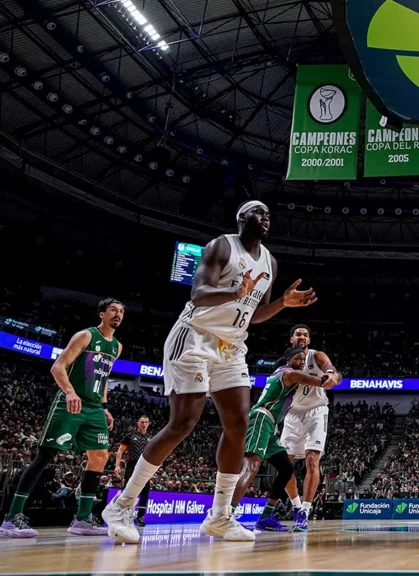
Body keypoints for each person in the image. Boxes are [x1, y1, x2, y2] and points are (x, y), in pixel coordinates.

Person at [102, 200, 317, 544]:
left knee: (238, 424)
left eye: (268, 215)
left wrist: (282, 305)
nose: (265, 218)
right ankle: (122, 506)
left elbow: (253, 314)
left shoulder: (270, 263)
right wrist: (233, 291)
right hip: (195, 337)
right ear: (241, 217)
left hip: (231, 346)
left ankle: (219, 516)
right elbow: (198, 294)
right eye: (257, 212)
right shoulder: (222, 246)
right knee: (183, 422)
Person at [0, 299, 124, 538]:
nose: (118, 314)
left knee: (100, 455)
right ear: (102, 314)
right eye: (113, 310)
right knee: (47, 455)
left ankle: (82, 519)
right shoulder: (86, 336)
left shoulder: (117, 346)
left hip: (94, 406)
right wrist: (69, 392)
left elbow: (104, 378)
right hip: (71, 400)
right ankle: (11, 517)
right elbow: (58, 367)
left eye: (121, 312)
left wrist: (105, 407)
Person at [231, 346, 338, 532]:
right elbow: (315, 380)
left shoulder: (285, 372)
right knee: (251, 467)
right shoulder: (289, 373)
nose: (302, 363)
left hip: (271, 424)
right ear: (288, 359)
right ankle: (227, 514)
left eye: (303, 360)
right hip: (261, 418)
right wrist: (331, 377)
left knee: (286, 468)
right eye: (298, 359)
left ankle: (265, 516)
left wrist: (332, 372)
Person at [279, 324, 338, 531]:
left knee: (312, 459)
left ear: (309, 340)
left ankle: (305, 510)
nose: (302, 336)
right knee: (284, 466)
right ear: (291, 339)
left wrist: (331, 375)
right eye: (298, 334)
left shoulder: (316, 356)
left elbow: (332, 370)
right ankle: (295, 507)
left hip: (317, 411)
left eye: (305, 334)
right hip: (293, 414)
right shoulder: (285, 364)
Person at [114, 416, 152, 526]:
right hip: (132, 465)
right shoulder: (130, 436)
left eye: (146, 422)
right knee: (128, 490)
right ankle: (124, 515)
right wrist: (117, 465)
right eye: (142, 422)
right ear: (137, 423)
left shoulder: (151, 437)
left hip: (145, 466)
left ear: (148, 424)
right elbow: (120, 451)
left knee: (145, 492)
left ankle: (140, 517)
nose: (144, 424)